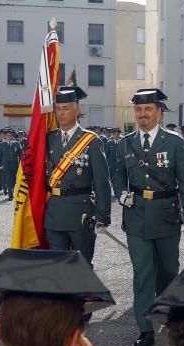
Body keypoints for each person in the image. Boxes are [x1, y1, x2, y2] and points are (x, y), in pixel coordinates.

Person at [112, 88, 184, 346]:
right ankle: (145, 329)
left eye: (148, 109)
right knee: (142, 274)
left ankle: (168, 314)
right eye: (138, 110)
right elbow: (116, 174)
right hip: (136, 217)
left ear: (159, 112)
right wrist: (122, 193)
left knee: (169, 271)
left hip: (168, 216)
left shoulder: (174, 142)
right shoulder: (125, 143)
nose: (142, 115)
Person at [44, 86, 112, 266]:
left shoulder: (91, 141)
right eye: (58, 109)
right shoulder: (48, 139)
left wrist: (103, 216)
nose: (61, 113)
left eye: (66, 108)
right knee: (57, 267)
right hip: (54, 212)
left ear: (77, 110)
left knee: (81, 267)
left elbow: (101, 182)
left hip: (80, 215)